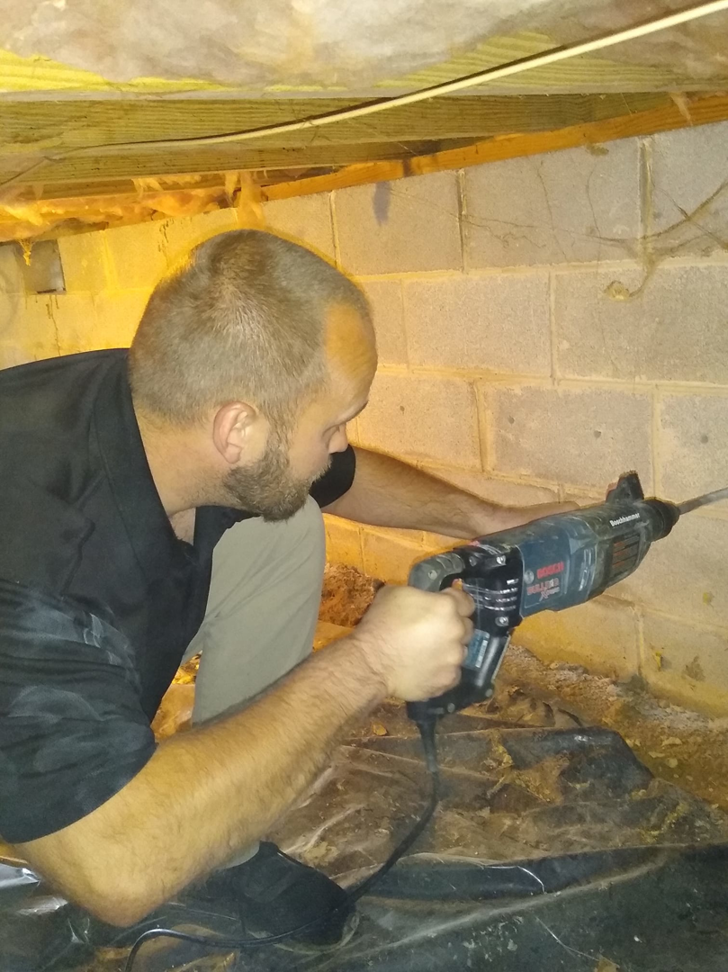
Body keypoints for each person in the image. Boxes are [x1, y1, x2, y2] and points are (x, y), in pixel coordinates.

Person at [0, 230, 572, 946]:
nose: (340, 444)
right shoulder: (37, 564)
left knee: (283, 516)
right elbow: (118, 874)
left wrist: (492, 518)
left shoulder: (166, 398)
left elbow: (338, 476)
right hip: (32, 679)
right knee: (93, 848)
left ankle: (220, 839)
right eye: (334, 423)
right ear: (238, 427)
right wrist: (366, 663)